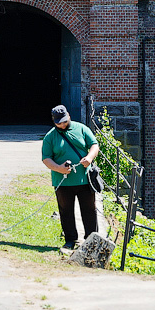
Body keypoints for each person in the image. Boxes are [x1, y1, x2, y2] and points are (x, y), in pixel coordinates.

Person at [41, 104, 99, 250]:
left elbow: (94, 145)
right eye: (58, 123)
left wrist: (89, 158)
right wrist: (59, 168)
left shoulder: (82, 129)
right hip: (63, 182)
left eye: (64, 121)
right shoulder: (50, 137)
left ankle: (91, 239)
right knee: (66, 211)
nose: (62, 125)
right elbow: (46, 158)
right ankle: (70, 239)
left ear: (69, 117)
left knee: (89, 210)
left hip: (84, 179)